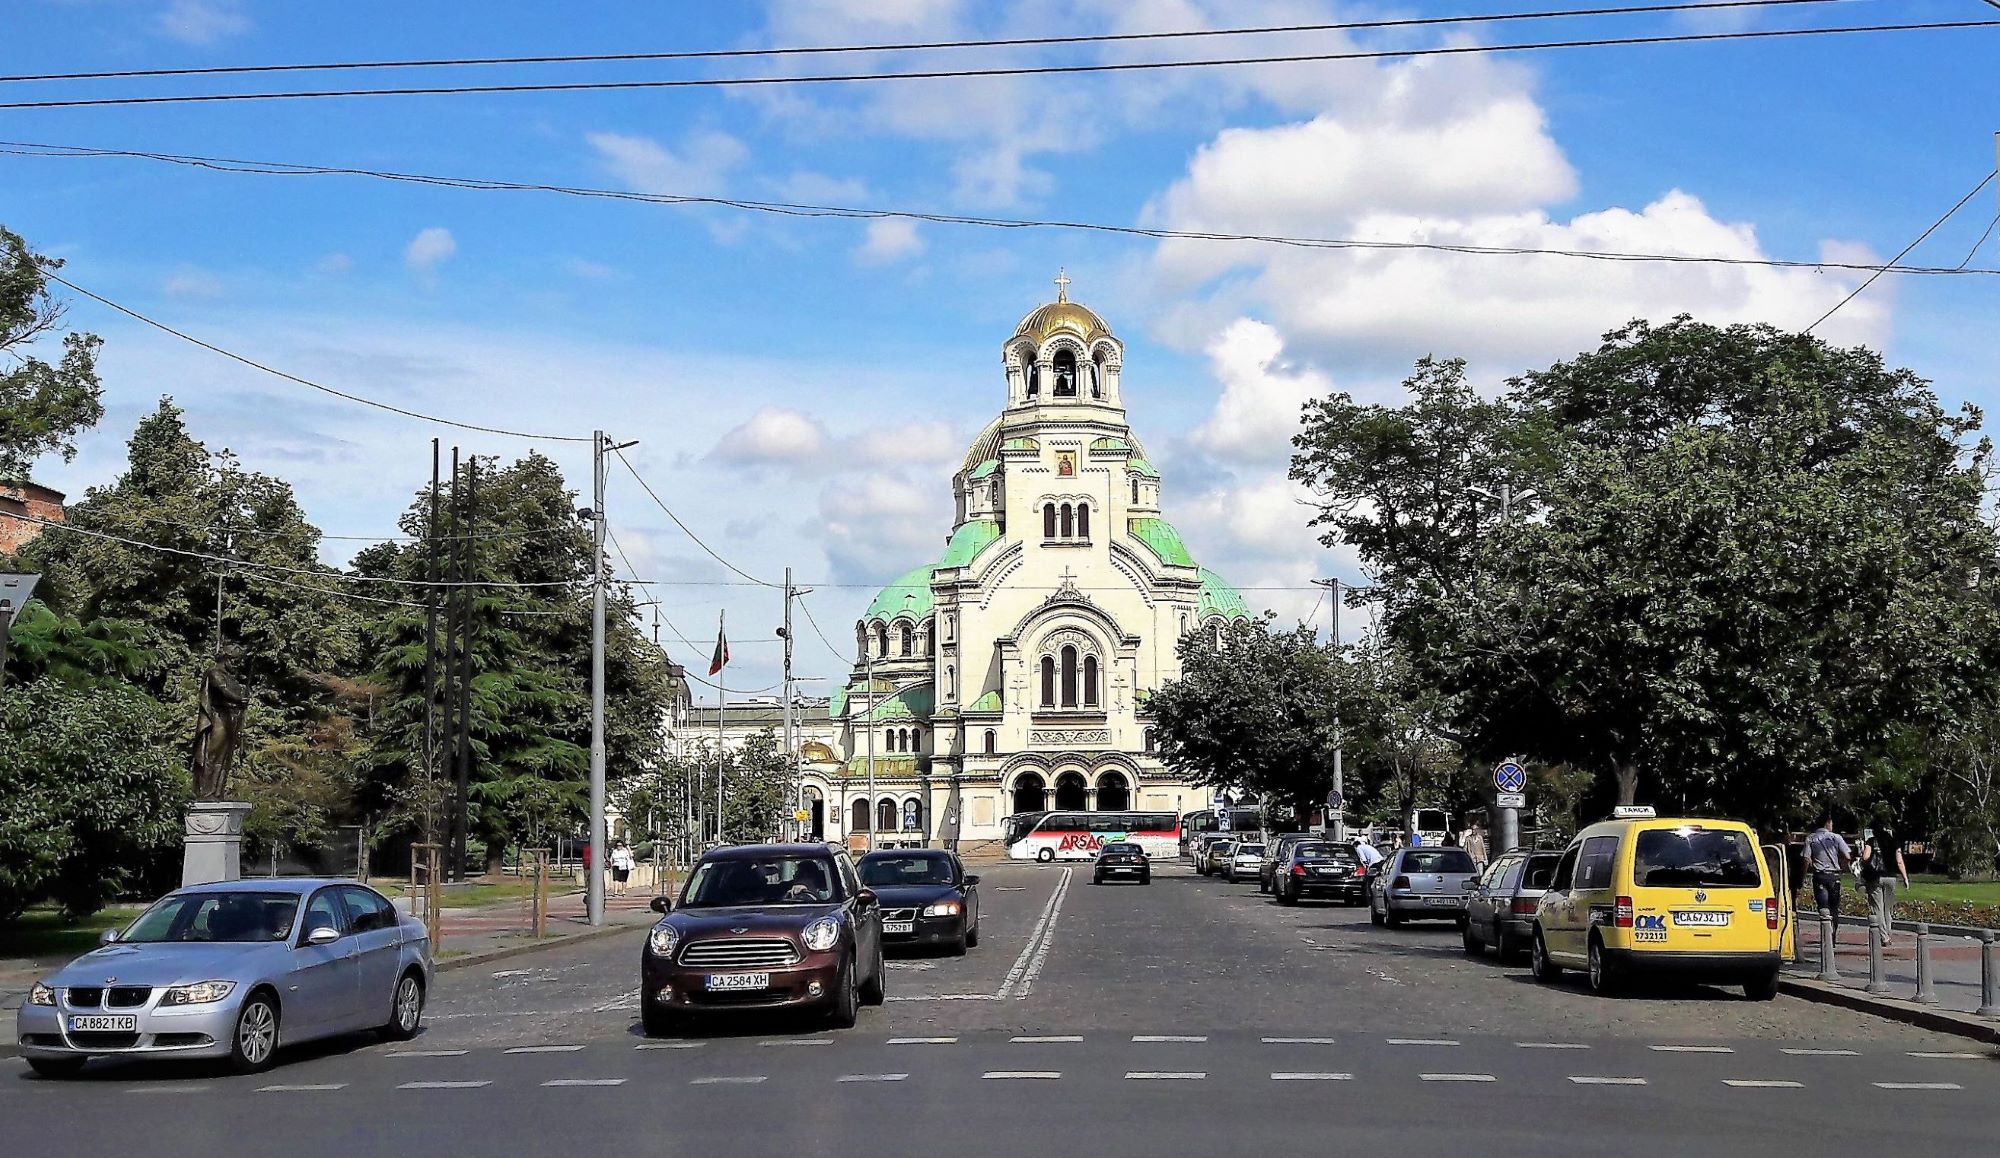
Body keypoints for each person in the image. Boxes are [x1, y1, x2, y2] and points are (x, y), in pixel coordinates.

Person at [1858, 810, 1910, 944]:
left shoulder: (1872, 841)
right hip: (1891, 877)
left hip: (1875, 877)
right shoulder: (1894, 841)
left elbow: (1865, 857)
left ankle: (1884, 936)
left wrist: (1861, 852)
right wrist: (1905, 877)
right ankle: (1888, 933)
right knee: (1888, 908)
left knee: (1877, 907)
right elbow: (1899, 861)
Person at [1805, 814, 1853, 937]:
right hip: (1834, 875)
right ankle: (1833, 933)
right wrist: (1843, 865)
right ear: (1827, 823)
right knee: (1834, 907)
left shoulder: (1811, 838)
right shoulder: (1836, 837)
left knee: (1823, 906)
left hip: (1819, 875)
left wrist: (1805, 871)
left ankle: (1825, 933)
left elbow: (1806, 858)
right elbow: (1847, 856)